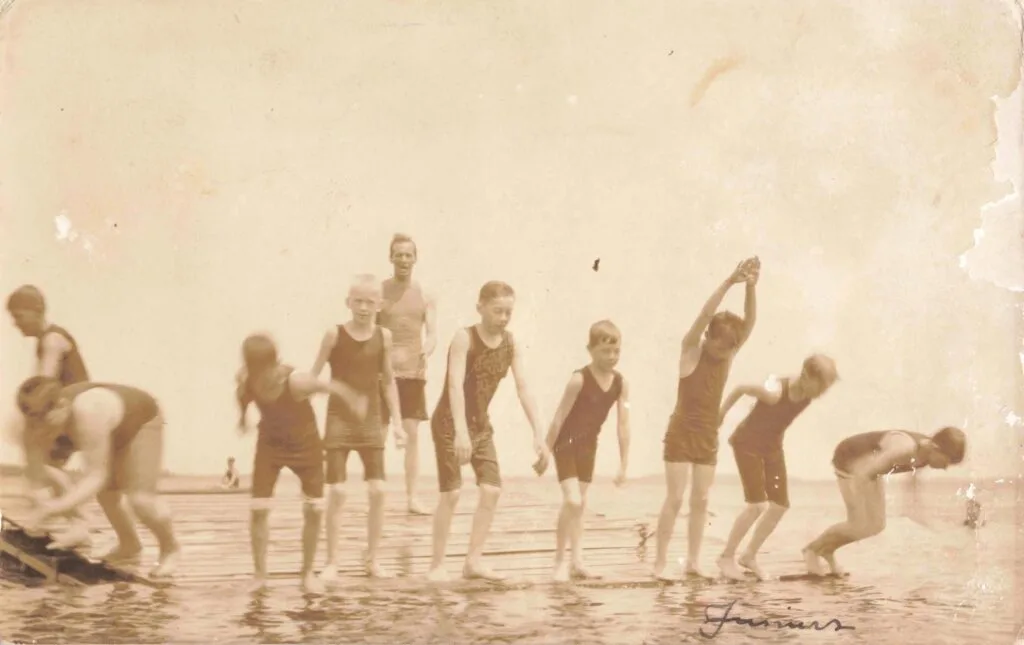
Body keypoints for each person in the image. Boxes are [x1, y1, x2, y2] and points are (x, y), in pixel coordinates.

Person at [426, 281, 549, 582]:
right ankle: (437, 565)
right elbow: (454, 386)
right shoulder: (464, 338)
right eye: (498, 311)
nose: (504, 318)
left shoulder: (510, 344)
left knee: (492, 490)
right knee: (452, 494)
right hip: (449, 423)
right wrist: (460, 433)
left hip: (480, 425)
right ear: (480, 307)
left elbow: (524, 388)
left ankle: (473, 561)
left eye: (509, 312)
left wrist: (539, 435)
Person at [652, 257, 760, 580]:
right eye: (721, 345)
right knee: (675, 498)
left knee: (700, 499)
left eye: (731, 348)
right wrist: (730, 282)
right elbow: (703, 316)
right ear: (710, 338)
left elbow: (750, 324)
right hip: (681, 433)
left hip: (707, 437)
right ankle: (659, 563)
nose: (726, 351)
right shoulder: (691, 350)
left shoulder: (727, 354)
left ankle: (693, 562)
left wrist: (752, 287)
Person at [237, 333, 367, 593]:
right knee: (259, 509)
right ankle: (260, 575)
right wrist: (242, 418)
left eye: (269, 371)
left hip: (306, 447)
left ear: (277, 364)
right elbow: (242, 395)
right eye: (257, 373)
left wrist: (356, 402)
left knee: (313, 509)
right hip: (270, 446)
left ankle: (307, 573)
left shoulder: (296, 382)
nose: (265, 379)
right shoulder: (246, 378)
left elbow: (334, 387)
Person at [16, 376, 180, 578]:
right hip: (108, 422)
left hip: (139, 417)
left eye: (43, 420)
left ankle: (170, 549)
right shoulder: (32, 421)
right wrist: (38, 499)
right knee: (107, 495)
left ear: (62, 406)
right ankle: (129, 545)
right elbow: (36, 471)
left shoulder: (89, 412)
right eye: (34, 421)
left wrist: (55, 506)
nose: (39, 428)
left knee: (141, 500)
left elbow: (95, 476)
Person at [311, 275, 405, 580]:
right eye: (358, 301)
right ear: (348, 302)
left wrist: (399, 424)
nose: (364, 307)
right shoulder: (333, 335)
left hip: (371, 421)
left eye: (370, 302)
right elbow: (313, 378)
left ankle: (372, 559)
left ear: (380, 304)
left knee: (378, 490)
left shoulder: (384, 337)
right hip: (339, 420)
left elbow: (388, 381)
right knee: (337, 491)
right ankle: (332, 562)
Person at [715, 354, 839, 580]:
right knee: (756, 506)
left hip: (772, 447)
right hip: (747, 444)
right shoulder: (775, 392)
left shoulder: (806, 394)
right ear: (805, 376)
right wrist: (721, 414)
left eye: (825, 390)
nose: (821, 395)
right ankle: (726, 557)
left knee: (780, 505)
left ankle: (749, 556)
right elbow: (741, 388)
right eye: (820, 388)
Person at [802, 426, 967, 576]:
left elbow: (910, 492)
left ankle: (827, 550)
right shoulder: (903, 448)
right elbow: (863, 473)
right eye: (946, 462)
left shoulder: (925, 456)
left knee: (876, 525)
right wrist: (856, 510)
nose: (945, 468)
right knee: (858, 524)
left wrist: (924, 517)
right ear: (935, 448)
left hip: (872, 470)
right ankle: (812, 550)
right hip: (849, 460)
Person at [546, 320, 631, 583]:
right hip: (566, 445)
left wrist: (624, 464)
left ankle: (577, 562)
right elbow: (560, 416)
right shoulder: (578, 379)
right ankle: (560, 562)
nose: (612, 357)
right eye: (605, 351)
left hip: (588, 447)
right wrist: (546, 452)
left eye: (616, 351)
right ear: (590, 349)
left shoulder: (620, 383)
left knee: (579, 505)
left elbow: (623, 423)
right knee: (572, 501)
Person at [7, 285, 91, 547]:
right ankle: (61, 519)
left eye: (19, 316)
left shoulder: (52, 339)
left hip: (68, 412)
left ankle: (76, 522)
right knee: (43, 468)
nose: (15, 323)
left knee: (40, 466)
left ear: (37, 311)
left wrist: (31, 420)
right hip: (65, 411)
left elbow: (44, 384)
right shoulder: (49, 338)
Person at [378, 233, 438, 515]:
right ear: (390, 257)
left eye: (408, 255)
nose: (403, 259)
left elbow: (433, 333)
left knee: (412, 436)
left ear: (415, 258)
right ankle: (375, 494)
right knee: (377, 435)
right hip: (382, 374)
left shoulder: (426, 295)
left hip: (413, 373)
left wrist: (428, 347)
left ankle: (413, 498)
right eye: (398, 254)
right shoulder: (378, 292)